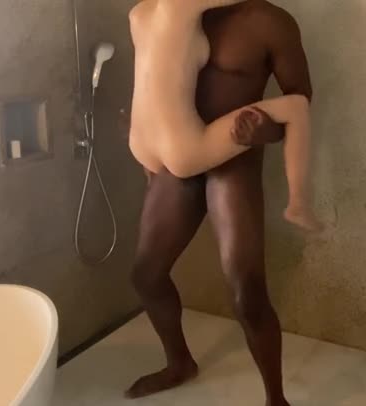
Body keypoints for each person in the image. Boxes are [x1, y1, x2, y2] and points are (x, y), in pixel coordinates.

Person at [126, 1, 312, 405]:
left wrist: (265, 132)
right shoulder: (173, 10)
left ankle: (276, 399)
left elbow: (300, 101)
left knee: (247, 292)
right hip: (178, 157)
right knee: (146, 275)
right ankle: (179, 363)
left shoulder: (269, 22)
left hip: (233, 162)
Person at [128, 0, 319, 230]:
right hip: (181, 146)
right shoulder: (180, 5)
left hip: (140, 144)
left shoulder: (138, 14)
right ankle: (298, 203)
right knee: (297, 107)